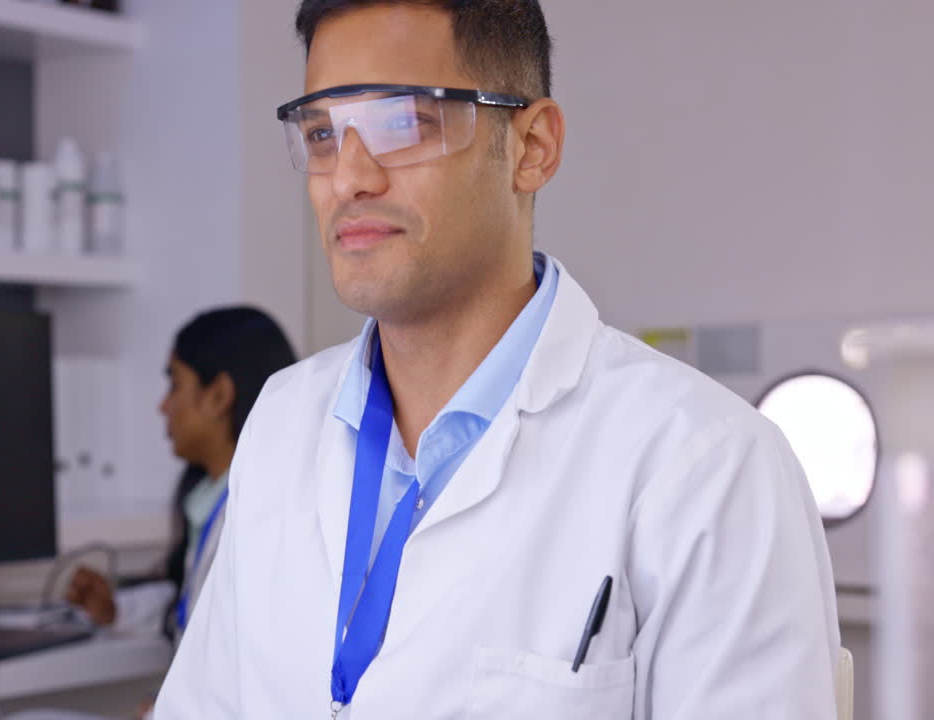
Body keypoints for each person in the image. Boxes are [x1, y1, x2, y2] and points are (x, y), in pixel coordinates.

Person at [154, 2, 840, 719]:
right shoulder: (281, 421)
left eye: (402, 122)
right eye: (323, 133)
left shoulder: (708, 465)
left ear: (531, 147)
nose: (348, 177)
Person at [65, 306, 296, 640]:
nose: (163, 406)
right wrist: (115, 610)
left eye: (174, 385)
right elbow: (192, 604)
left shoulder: (267, 514)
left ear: (218, 396)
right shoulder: (213, 502)